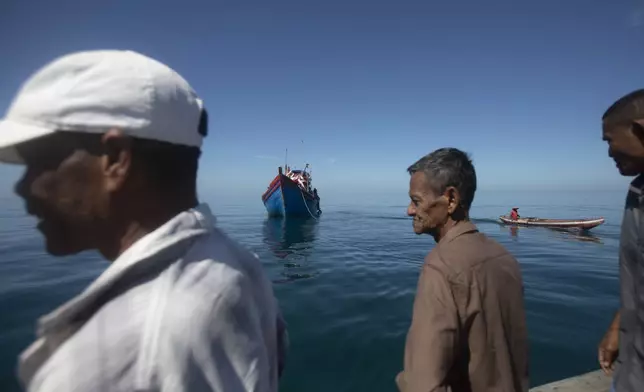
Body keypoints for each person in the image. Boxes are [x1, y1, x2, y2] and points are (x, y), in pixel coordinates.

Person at [0, 50, 287, 392]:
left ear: (115, 160)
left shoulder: (95, 369)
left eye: (38, 161)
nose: (21, 186)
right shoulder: (243, 266)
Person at [397, 147, 529, 392]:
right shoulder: (505, 259)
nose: (409, 210)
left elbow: (422, 387)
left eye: (416, 201)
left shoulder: (440, 267)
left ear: (451, 199)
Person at [598, 88, 644, 392]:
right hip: (631, 370)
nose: (609, 152)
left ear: (640, 129)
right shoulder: (636, 193)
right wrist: (619, 324)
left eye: (610, 140)